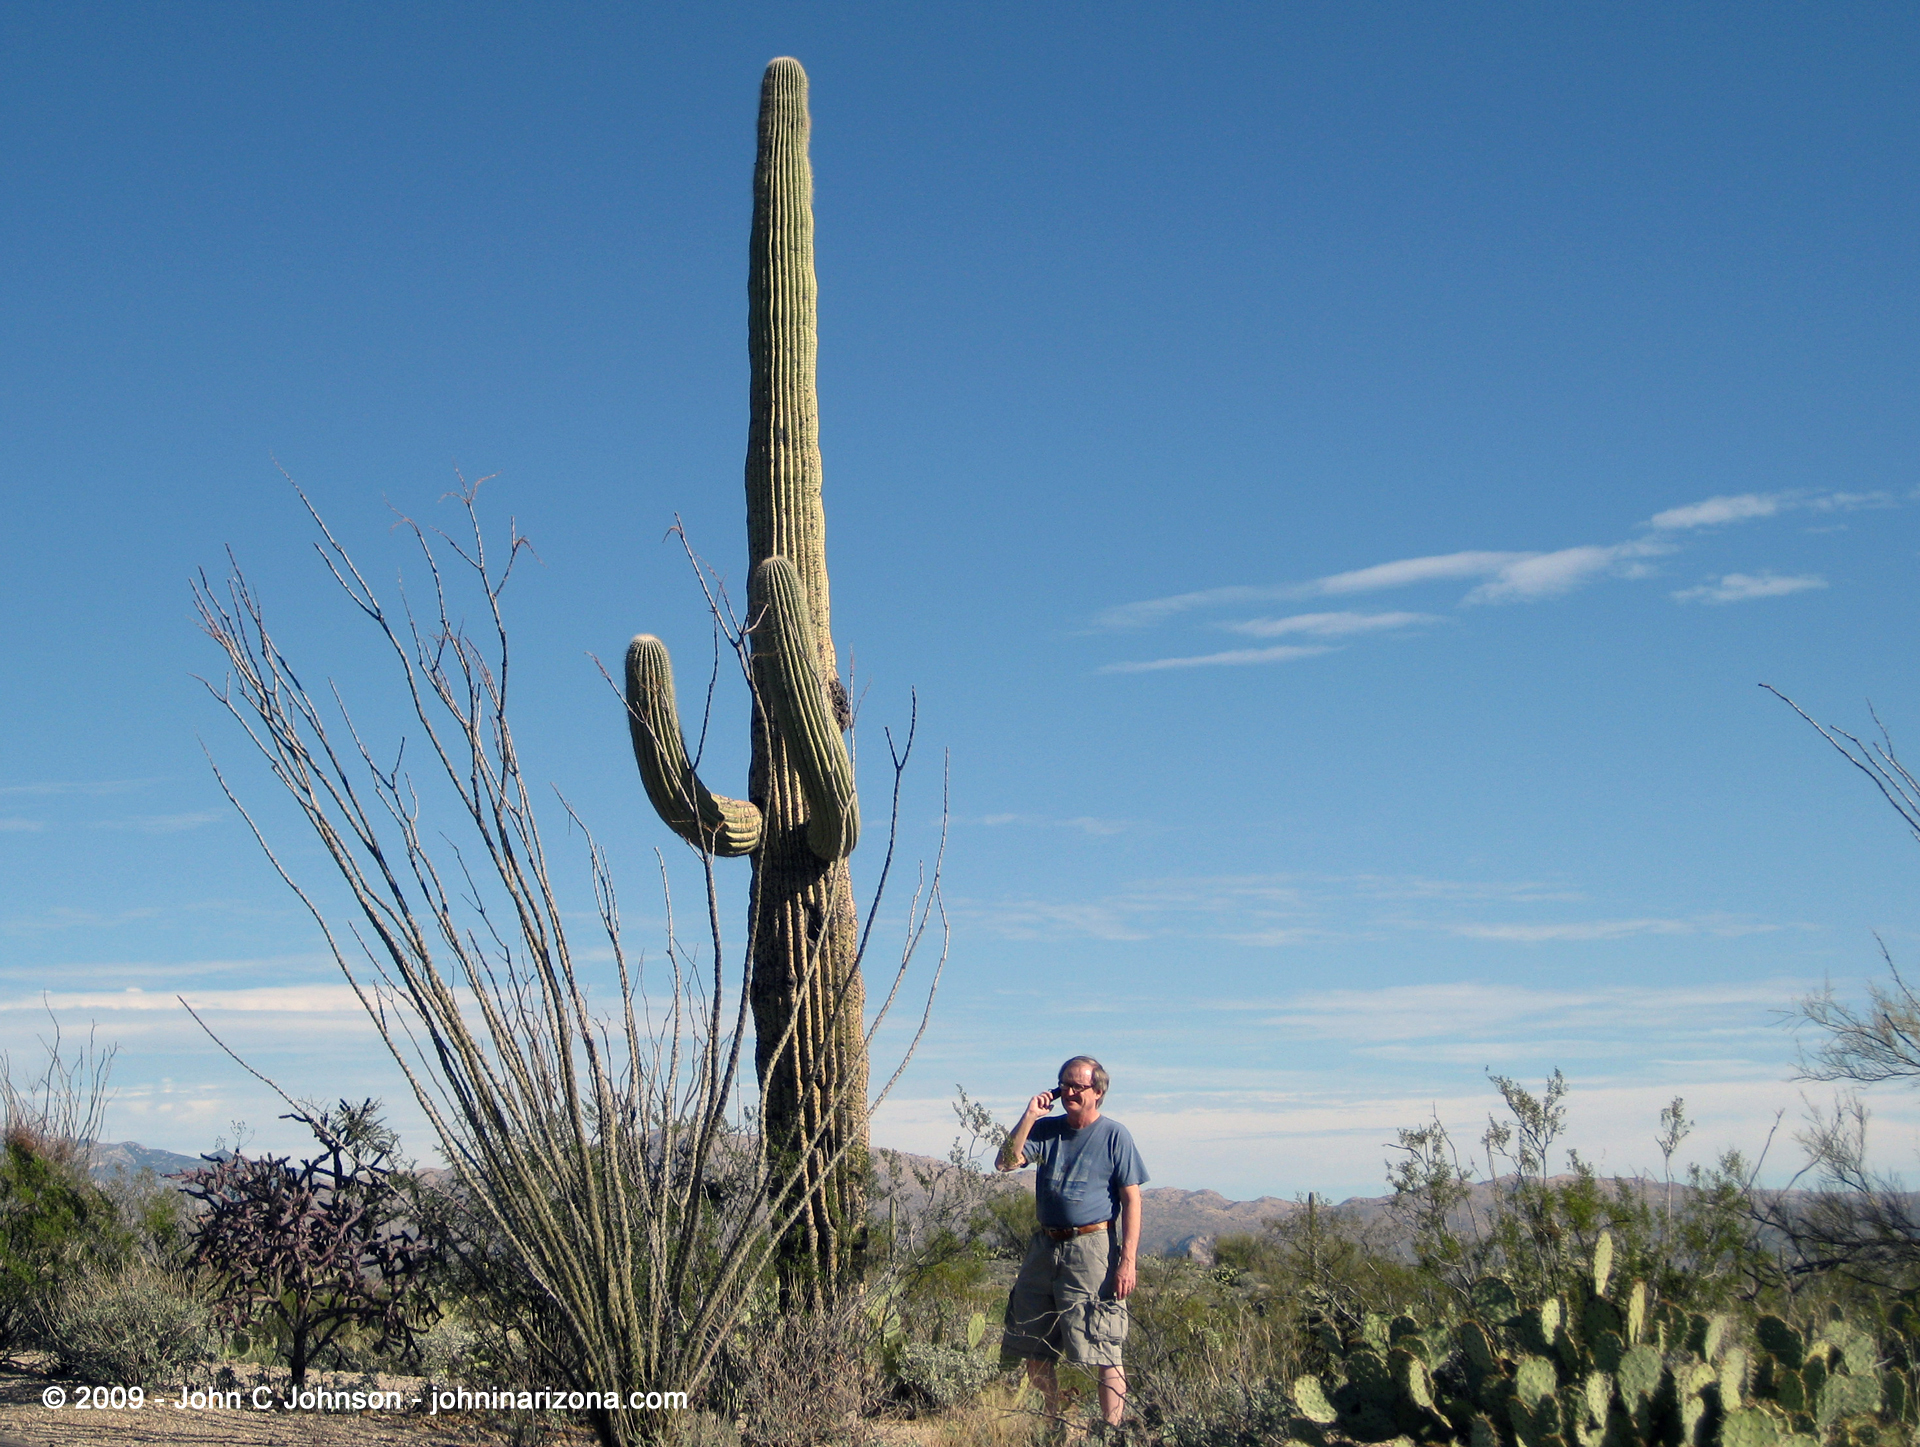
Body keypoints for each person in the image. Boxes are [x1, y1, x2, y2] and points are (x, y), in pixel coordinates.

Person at [996, 1054, 1148, 1430]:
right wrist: (1030, 1116)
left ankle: (1112, 1430)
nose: (1069, 1092)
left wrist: (1127, 1261)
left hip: (1092, 1248)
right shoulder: (1046, 1131)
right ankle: (1052, 1422)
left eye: (1077, 1086)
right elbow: (1004, 1162)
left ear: (1098, 1091)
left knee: (1104, 1343)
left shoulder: (1115, 1135)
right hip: (1044, 1248)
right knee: (1032, 1338)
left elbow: (1132, 1200)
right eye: (1064, 1084)